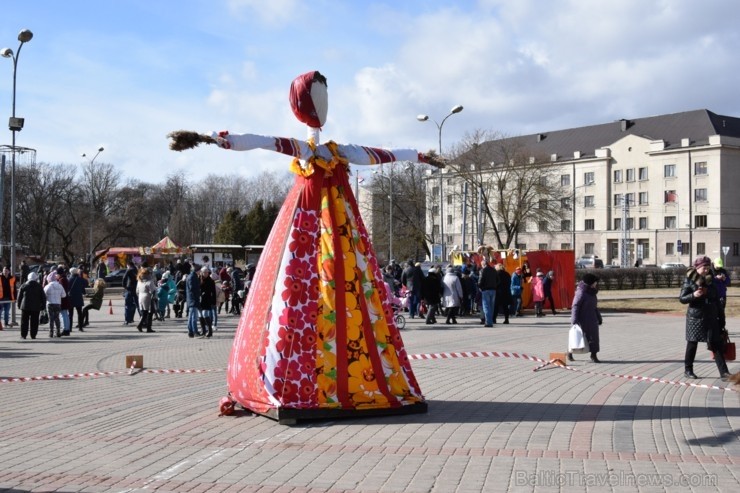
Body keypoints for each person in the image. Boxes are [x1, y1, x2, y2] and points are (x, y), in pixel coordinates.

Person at [680, 256, 731, 380]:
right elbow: (682, 298)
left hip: (711, 316)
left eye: (708, 267)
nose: (706, 270)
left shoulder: (711, 280)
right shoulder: (689, 280)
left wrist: (721, 318)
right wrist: (693, 295)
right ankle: (688, 370)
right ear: (697, 268)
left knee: (716, 344)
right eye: (704, 267)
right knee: (692, 344)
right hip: (695, 318)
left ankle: (724, 373)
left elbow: (717, 299)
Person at [569, 273, 603, 363]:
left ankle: (594, 355)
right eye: (595, 282)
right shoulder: (581, 292)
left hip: (592, 319)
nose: (596, 284)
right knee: (577, 337)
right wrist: (574, 320)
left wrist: (599, 317)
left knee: (594, 338)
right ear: (590, 283)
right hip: (581, 319)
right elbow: (575, 306)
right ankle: (570, 352)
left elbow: (594, 307)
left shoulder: (592, 292)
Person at [17, 272, 46, 339]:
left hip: (25, 306)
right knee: (35, 322)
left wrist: (19, 305)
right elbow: (43, 297)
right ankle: (33, 335)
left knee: (24, 321)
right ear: (36, 278)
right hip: (36, 307)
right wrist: (43, 306)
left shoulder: (24, 285)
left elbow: (19, 297)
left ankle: (23, 335)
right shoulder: (39, 286)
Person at [43, 272, 66, 338]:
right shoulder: (60, 285)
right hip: (58, 303)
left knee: (51, 319)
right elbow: (64, 295)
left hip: (50, 303)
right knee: (57, 318)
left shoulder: (47, 286)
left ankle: (51, 333)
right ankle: (58, 332)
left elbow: (44, 295)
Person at [135, 268, 157, 333]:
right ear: (148, 274)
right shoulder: (150, 281)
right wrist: (155, 298)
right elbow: (153, 291)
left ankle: (140, 325)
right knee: (150, 313)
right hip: (148, 297)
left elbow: (137, 291)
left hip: (141, 297)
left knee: (144, 313)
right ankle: (148, 328)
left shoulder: (139, 281)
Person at [478, 260, 498, 327]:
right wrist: (495, 286)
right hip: (493, 290)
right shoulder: (494, 270)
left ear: (483, 264)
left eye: (481, 265)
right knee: (491, 306)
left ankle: (488, 322)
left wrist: (480, 287)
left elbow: (480, 280)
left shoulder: (483, 271)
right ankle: (490, 321)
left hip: (485, 290)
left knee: (486, 306)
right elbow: (498, 280)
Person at [199, 266, 216, 338]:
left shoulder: (211, 281)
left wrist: (213, 302)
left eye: (207, 272)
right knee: (200, 315)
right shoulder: (199, 279)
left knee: (205, 314)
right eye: (204, 272)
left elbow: (213, 292)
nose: (206, 274)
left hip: (207, 300)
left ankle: (210, 331)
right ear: (201, 273)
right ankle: (203, 330)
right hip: (200, 300)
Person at [186, 267, 201, 338]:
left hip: (191, 299)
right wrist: (198, 293)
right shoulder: (193, 277)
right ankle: (194, 331)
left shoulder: (191, 276)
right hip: (193, 299)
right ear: (197, 271)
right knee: (193, 317)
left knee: (191, 316)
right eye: (200, 270)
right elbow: (192, 288)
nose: (200, 272)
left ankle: (191, 331)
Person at [122, 260, 138, 326]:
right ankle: (140, 318)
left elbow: (124, 278)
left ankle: (127, 320)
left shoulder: (129, 270)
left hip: (129, 289)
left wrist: (124, 286)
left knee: (128, 305)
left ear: (128, 265)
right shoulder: (137, 270)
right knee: (136, 304)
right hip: (136, 289)